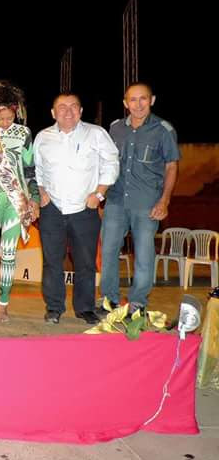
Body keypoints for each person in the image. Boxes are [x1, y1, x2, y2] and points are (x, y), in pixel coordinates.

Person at [34, 93, 119, 324]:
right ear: (53, 113)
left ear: (81, 111)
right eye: (62, 107)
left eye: (73, 107)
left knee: (85, 262)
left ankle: (85, 308)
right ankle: (54, 307)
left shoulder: (96, 134)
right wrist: (41, 193)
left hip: (85, 209)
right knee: (52, 262)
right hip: (52, 208)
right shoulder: (43, 137)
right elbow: (37, 169)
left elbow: (112, 163)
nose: (68, 111)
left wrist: (99, 194)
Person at [100, 82, 180, 313]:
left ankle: (137, 302)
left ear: (151, 100)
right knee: (108, 252)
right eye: (132, 100)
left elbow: (171, 167)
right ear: (125, 103)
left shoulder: (163, 130)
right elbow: (106, 164)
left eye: (143, 98)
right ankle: (108, 300)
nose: (138, 104)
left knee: (144, 255)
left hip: (147, 203)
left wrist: (164, 201)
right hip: (116, 200)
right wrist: (101, 197)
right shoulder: (115, 129)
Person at [0, 82, 39, 323]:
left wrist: (33, 199)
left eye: (9, 118)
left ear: (15, 112)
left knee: (9, 254)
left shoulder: (24, 133)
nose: (4, 122)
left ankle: (3, 306)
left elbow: (30, 169)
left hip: (15, 201)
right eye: (0, 118)